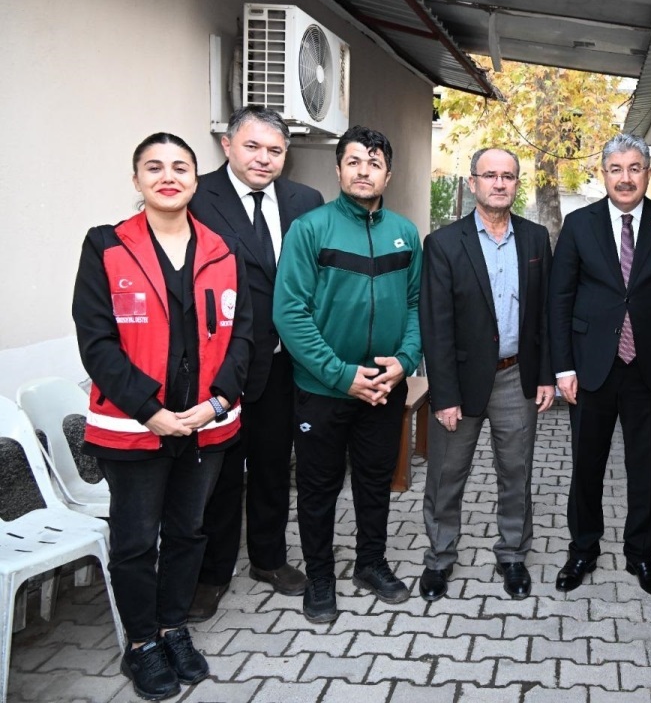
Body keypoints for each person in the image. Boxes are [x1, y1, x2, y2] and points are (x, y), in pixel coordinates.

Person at [72, 133, 253, 699]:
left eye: (180, 167)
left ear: (196, 182)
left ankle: (174, 628)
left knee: (187, 531)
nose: (167, 176)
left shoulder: (223, 250)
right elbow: (96, 341)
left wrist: (217, 401)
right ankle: (142, 644)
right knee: (133, 540)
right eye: (154, 167)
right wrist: (150, 411)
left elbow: (244, 333)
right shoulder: (106, 246)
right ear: (136, 181)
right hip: (133, 427)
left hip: (206, 423)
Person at [273, 125, 422, 624]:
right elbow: (290, 313)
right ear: (338, 169)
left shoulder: (405, 232)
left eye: (374, 163)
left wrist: (404, 361)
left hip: (384, 388)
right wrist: (341, 376)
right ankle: (320, 575)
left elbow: (419, 304)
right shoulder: (310, 229)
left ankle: (370, 565)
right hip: (323, 389)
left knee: (376, 483)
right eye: (354, 161)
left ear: (388, 173)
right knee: (317, 487)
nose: (364, 170)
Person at [549, 132, 651, 597]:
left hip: (650, 369)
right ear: (603, 174)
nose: (626, 177)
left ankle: (641, 554)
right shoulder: (578, 224)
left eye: (635, 168)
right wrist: (563, 368)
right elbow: (560, 299)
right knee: (585, 466)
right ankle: (583, 549)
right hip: (592, 368)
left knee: (646, 467)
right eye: (616, 169)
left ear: (648, 173)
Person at [187, 106, 323, 621]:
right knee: (218, 473)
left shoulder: (304, 200)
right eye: (253, 147)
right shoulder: (197, 196)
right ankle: (211, 573)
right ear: (227, 145)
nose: (264, 159)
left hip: (283, 363)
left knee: (271, 465)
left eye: (275, 150)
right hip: (217, 367)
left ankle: (268, 559)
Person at [418, 148, 555, 602]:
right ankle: (439, 558)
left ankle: (513, 554)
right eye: (490, 175)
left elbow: (545, 313)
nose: (500, 183)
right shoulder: (443, 243)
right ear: (473, 182)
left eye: (509, 176)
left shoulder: (536, 239)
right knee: (446, 474)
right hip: (460, 381)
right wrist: (443, 395)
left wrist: (546, 376)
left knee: (516, 472)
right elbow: (435, 326)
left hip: (518, 377)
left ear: (517, 184)